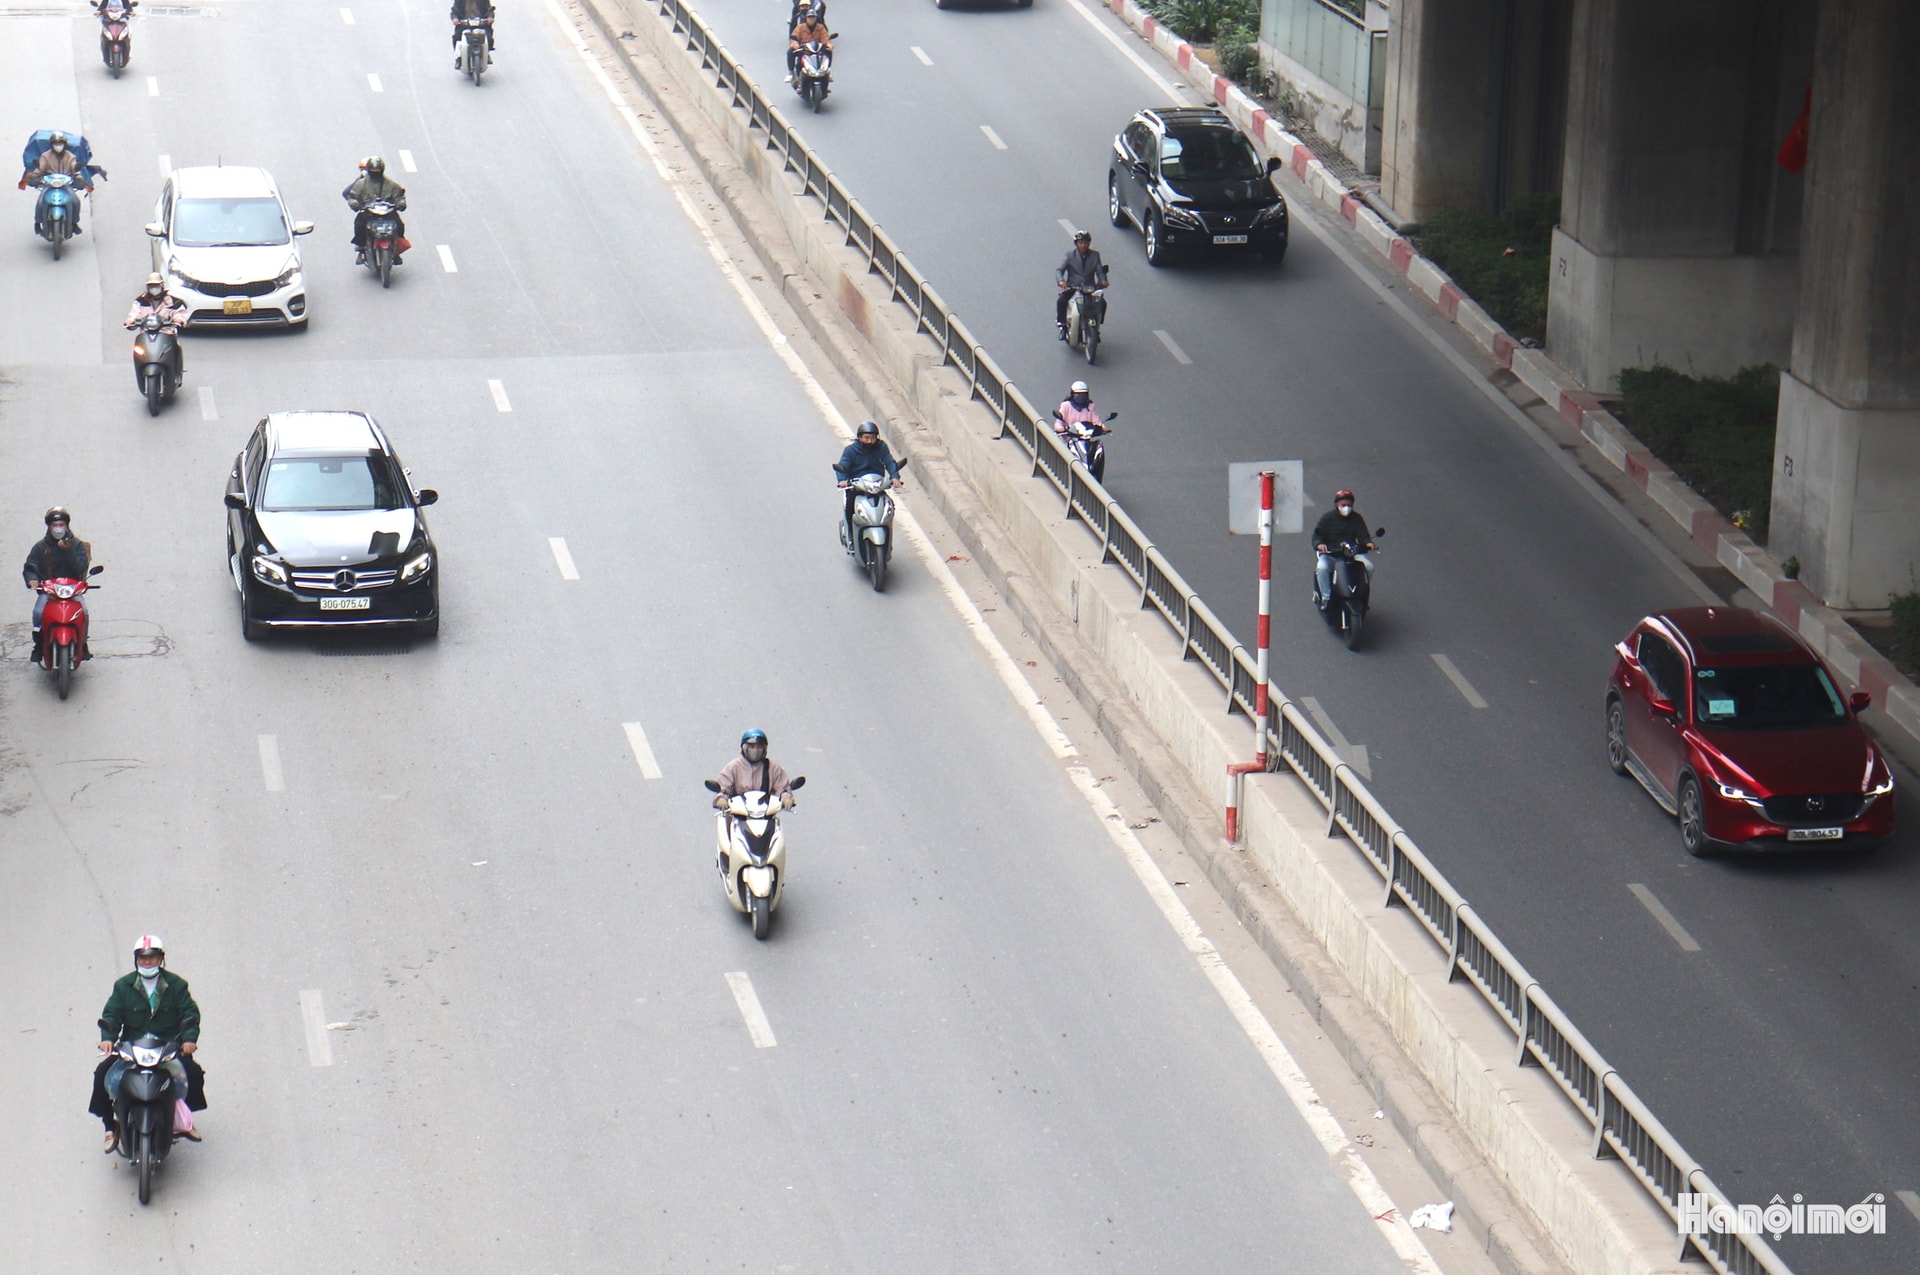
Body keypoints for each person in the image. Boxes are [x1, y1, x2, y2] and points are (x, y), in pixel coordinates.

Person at [97, 935, 202, 1152]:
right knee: (102, 1075)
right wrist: (108, 1039)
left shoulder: (176, 985)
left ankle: (183, 1119)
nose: (147, 962)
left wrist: (188, 1040)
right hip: (132, 1048)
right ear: (136, 960)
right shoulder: (123, 986)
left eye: (152, 958)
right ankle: (110, 1126)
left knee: (193, 1074)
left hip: (167, 1048)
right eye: (142, 958)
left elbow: (189, 1014)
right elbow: (112, 1015)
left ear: (161, 959)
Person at [23, 507, 90, 667]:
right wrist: (33, 580)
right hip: (49, 590)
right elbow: (31, 566)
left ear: (66, 525)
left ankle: (83, 644)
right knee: (38, 612)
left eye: (61, 524)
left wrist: (68, 552)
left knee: (85, 613)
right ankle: (39, 645)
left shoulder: (77, 545)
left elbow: (81, 567)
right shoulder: (41, 547)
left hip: (71, 590)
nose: (58, 528)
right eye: (55, 525)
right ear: (49, 527)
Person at [832, 421, 903, 545]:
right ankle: (851, 537)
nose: (870, 441)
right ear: (860, 437)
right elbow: (843, 465)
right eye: (866, 438)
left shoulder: (881, 447)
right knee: (850, 508)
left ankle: (887, 536)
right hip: (857, 487)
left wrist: (894, 477)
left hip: (877, 485)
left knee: (889, 506)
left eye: (872, 438)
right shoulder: (851, 451)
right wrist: (842, 480)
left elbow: (889, 462)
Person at [18, 132, 94, 237]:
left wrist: (79, 178)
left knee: (75, 201)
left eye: (60, 143)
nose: (58, 146)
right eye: (55, 144)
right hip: (49, 184)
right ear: (51, 144)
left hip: (65, 185)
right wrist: (35, 177)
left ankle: (74, 223)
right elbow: (40, 169)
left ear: (64, 144)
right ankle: (37, 223)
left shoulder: (70, 157)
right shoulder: (45, 156)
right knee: (40, 202)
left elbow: (75, 169)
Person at [1312, 488, 1376, 605]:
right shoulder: (1327, 518)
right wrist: (1320, 544)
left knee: (1369, 567)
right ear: (1336, 504)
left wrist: (1368, 543)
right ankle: (1326, 597)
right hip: (1331, 554)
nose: (1347, 508)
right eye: (1343, 505)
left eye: (1349, 505)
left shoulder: (1357, 518)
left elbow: (1363, 535)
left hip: (1351, 554)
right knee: (1322, 568)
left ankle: (1360, 593)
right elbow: (1317, 536)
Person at [341, 156, 407, 266]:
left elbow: (399, 196)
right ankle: (362, 247)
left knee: (400, 226)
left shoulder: (391, 184)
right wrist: (355, 204)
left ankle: (396, 251)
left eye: (377, 171)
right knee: (359, 224)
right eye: (373, 171)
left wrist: (400, 204)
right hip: (369, 213)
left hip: (387, 212)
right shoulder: (361, 184)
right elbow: (353, 196)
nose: (375, 173)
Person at [125, 272, 189, 378]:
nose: (154, 288)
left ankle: (177, 373)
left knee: (176, 347)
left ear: (162, 285)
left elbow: (180, 313)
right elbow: (133, 314)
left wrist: (179, 319)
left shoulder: (173, 301)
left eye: (156, 285)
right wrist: (130, 321)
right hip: (146, 335)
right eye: (151, 286)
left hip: (166, 333)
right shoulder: (141, 301)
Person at [714, 729, 796, 809]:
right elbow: (723, 789)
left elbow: (782, 787)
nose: (755, 750)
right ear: (744, 748)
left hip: (766, 812)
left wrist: (786, 797)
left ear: (764, 749)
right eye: (752, 747)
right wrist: (721, 799)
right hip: (737, 812)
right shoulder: (733, 767)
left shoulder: (773, 767)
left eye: (759, 747)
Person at [1056, 230, 1108, 341]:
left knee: (1102, 303)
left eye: (1085, 243)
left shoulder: (1095, 256)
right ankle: (1063, 326)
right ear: (1076, 244)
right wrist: (1061, 281)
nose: (1083, 245)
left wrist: (1103, 280)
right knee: (1061, 301)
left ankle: (1097, 328)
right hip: (1073, 287)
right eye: (1081, 243)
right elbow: (1059, 270)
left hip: (1089, 288)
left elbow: (1100, 271)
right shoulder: (1070, 256)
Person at [786, 2, 831, 81]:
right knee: (791, 52)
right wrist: (796, 45)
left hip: (817, 49)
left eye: (813, 17)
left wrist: (828, 45)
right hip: (804, 50)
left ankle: (827, 71)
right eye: (809, 17)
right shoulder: (800, 27)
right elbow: (793, 38)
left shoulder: (820, 27)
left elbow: (825, 38)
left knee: (829, 52)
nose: (811, 19)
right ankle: (791, 73)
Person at [450, 0, 494, 66]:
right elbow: (454, 11)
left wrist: (490, 17)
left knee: (489, 38)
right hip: (464, 24)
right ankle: (459, 57)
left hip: (481, 24)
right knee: (456, 37)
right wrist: (455, 18)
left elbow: (489, 10)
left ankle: (486, 53)